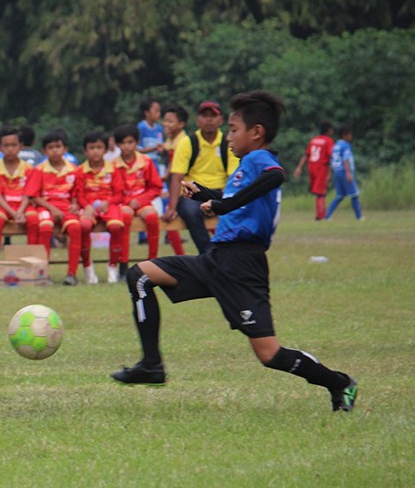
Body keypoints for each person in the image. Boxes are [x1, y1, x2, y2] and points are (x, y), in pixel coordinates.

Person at [111, 90, 358, 413]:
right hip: (216, 258)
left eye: (234, 129)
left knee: (269, 354)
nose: (229, 136)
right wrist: (206, 194)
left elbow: (276, 176)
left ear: (256, 133)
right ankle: (151, 365)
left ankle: (340, 383)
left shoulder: (260, 160)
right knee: (140, 275)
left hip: (242, 266)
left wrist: (224, 203)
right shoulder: (246, 165)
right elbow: (238, 202)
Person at [165, 100, 239, 253]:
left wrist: (221, 203)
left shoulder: (228, 142)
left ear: (221, 120)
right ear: (198, 120)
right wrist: (171, 207)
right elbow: (177, 177)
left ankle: (231, 253)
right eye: (205, 115)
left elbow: (232, 178)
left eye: (213, 115)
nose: (209, 119)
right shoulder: (188, 143)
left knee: (236, 212)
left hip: (219, 190)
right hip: (193, 192)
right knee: (191, 213)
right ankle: (209, 253)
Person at [29, 129, 90, 285]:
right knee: (45, 228)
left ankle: (71, 274)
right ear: (44, 151)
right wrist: (52, 209)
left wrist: (75, 204)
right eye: (50, 147)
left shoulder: (74, 170)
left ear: (65, 149)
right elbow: (34, 196)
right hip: (45, 207)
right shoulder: (39, 170)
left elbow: (76, 193)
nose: (55, 150)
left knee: (75, 228)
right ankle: (43, 274)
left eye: (58, 146)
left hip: (66, 207)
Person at [77, 130, 128, 284]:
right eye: (92, 148)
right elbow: (79, 194)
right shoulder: (80, 171)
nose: (96, 151)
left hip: (109, 205)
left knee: (115, 227)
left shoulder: (114, 170)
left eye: (99, 147)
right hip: (89, 207)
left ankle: (113, 267)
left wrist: (109, 202)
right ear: (85, 151)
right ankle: (88, 268)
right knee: (84, 226)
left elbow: (120, 194)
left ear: (106, 150)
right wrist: (86, 206)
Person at [0, 127, 38, 262]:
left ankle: (32, 263)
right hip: (3, 206)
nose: (10, 149)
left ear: (21, 146)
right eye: (6, 145)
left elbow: (28, 194)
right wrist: (13, 213)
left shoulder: (28, 168)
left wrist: (20, 211)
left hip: (23, 206)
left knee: (33, 220)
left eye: (14, 145)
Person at [113, 124, 163, 261]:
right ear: (117, 145)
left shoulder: (146, 162)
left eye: (130, 142)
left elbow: (156, 187)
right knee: (125, 216)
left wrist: (140, 201)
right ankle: (123, 262)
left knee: (152, 218)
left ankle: (153, 260)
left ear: (137, 142)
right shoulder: (113, 165)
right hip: (123, 203)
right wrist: (128, 201)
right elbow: (112, 191)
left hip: (143, 201)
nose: (127, 146)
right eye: (122, 143)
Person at [160, 105, 189, 255]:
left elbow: (175, 165)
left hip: (180, 187)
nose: (166, 124)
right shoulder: (171, 138)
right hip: (172, 184)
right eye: (165, 120)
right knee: (170, 222)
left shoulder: (182, 141)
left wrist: (165, 175)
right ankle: (181, 255)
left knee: (169, 219)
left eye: (170, 121)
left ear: (181, 124)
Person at [292, 119, 335, 221]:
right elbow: (331, 157)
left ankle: (321, 214)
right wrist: (330, 173)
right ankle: (321, 216)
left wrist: (299, 168)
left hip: (311, 167)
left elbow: (306, 155)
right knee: (321, 192)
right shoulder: (328, 141)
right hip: (321, 168)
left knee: (318, 191)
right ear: (328, 130)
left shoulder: (313, 140)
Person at [325, 124, 363, 221]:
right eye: (350, 134)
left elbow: (331, 160)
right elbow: (346, 160)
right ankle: (359, 217)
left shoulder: (336, 145)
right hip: (344, 172)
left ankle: (327, 215)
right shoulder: (346, 145)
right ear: (345, 135)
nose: (351, 136)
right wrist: (348, 173)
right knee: (354, 195)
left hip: (337, 172)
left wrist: (329, 174)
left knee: (340, 195)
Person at [137, 98, 166, 174]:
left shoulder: (159, 128)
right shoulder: (141, 127)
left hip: (156, 164)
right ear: (147, 112)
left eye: (159, 111)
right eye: (156, 111)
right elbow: (139, 149)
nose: (159, 114)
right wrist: (156, 148)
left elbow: (161, 147)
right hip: (144, 164)